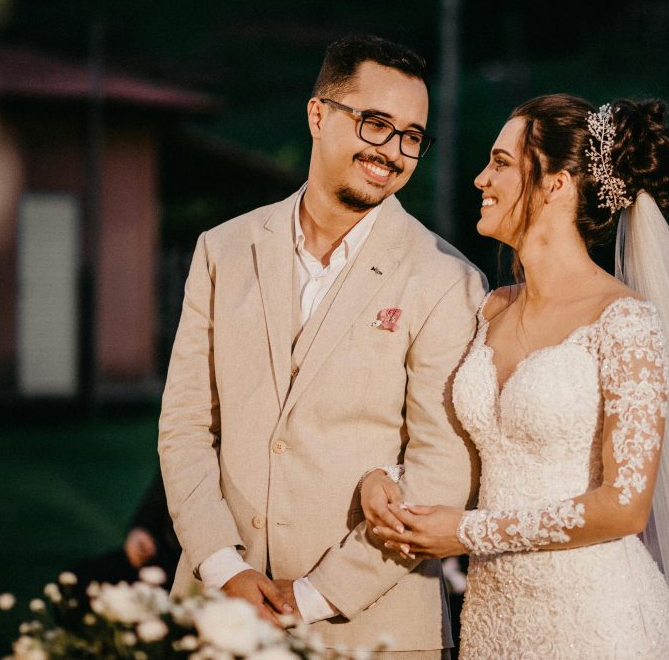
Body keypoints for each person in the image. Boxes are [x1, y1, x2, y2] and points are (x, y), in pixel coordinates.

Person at [361, 94, 669, 658]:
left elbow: (624, 505)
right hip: (493, 617)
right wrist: (385, 477)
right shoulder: (488, 309)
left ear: (556, 184)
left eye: (501, 162)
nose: (481, 178)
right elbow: (454, 446)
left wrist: (467, 533)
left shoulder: (625, 322)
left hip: (597, 618)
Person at [158, 34, 485, 658]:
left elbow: (440, 470)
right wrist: (224, 568)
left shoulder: (447, 279)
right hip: (216, 615)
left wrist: (308, 598)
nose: (391, 151)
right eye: (375, 123)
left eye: (411, 135)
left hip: (371, 627)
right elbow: (186, 426)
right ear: (318, 115)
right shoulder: (223, 250)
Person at [71, 471, 181, 595]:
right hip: (158, 553)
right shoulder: (181, 455)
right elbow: (158, 497)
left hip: (187, 566)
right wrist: (141, 529)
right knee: (76, 581)